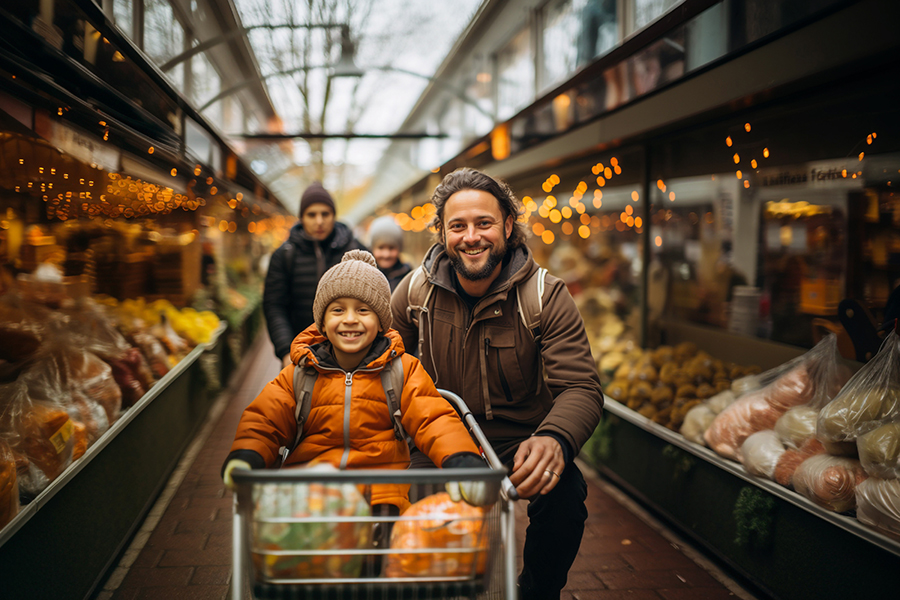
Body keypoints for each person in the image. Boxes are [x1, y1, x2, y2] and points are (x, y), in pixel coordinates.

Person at [390, 167, 604, 600]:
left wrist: (554, 439)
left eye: (484, 223)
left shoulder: (545, 295)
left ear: (508, 225)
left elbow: (581, 386)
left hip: (517, 441)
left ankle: (536, 592)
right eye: (458, 226)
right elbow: (381, 363)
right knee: (398, 507)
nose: (472, 237)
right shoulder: (414, 293)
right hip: (435, 441)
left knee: (565, 496)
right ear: (442, 233)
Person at [223, 250, 488, 514]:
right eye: (338, 310)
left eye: (363, 310)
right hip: (310, 497)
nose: (350, 319)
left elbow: (434, 418)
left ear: (381, 322)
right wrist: (248, 455)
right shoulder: (300, 374)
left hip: (381, 494)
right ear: (322, 324)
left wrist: (460, 459)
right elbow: (265, 420)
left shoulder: (401, 371)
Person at [263, 182, 367, 368]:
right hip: (300, 355)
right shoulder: (285, 255)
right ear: (302, 217)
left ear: (334, 216)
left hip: (349, 356)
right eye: (312, 215)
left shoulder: (356, 252)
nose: (319, 221)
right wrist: (286, 351)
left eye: (325, 214)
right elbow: (274, 306)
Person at [367, 215, 412, 291]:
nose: (386, 254)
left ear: (399, 249)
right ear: (372, 248)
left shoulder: (408, 276)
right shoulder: (366, 276)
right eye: (381, 248)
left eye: (391, 248)